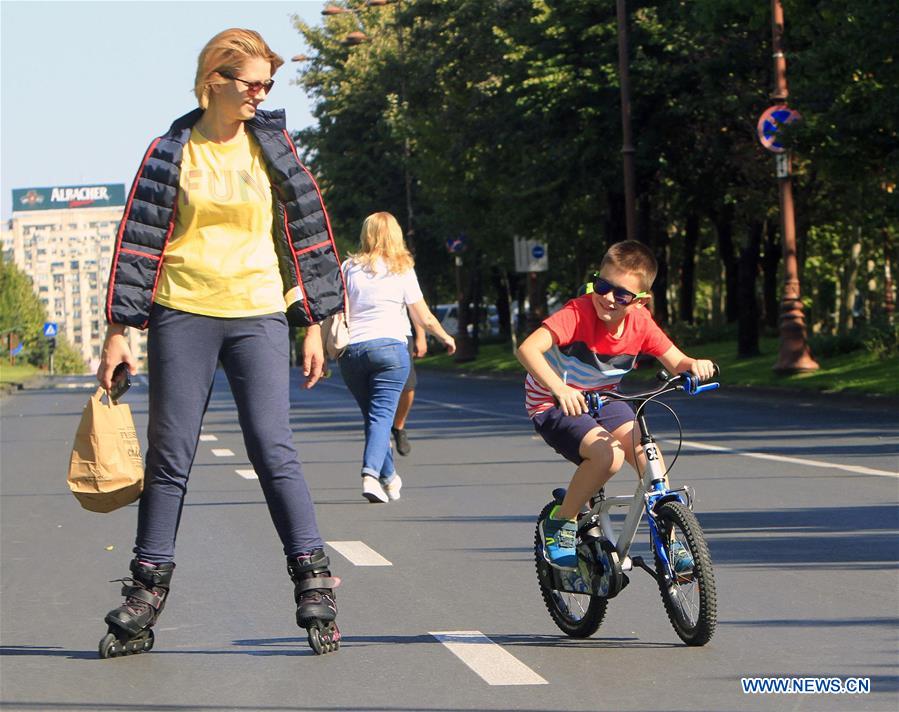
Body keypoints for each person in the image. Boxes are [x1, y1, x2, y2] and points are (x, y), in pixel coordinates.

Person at [96, 29, 344, 657]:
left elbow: (307, 231)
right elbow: (139, 242)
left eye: (268, 84)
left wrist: (315, 318)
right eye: (251, 84)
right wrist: (119, 330)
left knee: (273, 446)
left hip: (258, 312)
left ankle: (314, 584)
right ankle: (144, 593)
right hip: (183, 311)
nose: (261, 95)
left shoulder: (272, 146)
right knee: (170, 456)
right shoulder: (170, 151)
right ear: (214, 81)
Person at [516, 240, 715, 570]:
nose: (608, 298)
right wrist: (560, 388)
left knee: (646, 452)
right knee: (608, 457)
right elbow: (527, 349)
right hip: (554, 403)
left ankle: (669, 535)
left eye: (621, 294)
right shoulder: (576, 314)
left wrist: (694, 365)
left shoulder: (641, 323)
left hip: (604, 398)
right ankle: (561, 521)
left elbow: (677, 360)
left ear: (640, 301)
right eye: (603, 286)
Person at [339, 212, 455, 503]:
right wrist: (445, 337)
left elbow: (339, 312)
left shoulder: (348, 268)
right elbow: (424, 316)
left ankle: (389, 477)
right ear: (396, 236)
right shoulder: (402, 269)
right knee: (380, 417)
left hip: (353, 352)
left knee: (374, 416)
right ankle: (370, 474)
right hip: (390, 351)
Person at [391, 319, 427, 456]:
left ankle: (398, 426)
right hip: (365, 335)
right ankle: (379, 434)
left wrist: (421, 336)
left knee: (408, 386)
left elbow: (415, 306)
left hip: (401, 335)